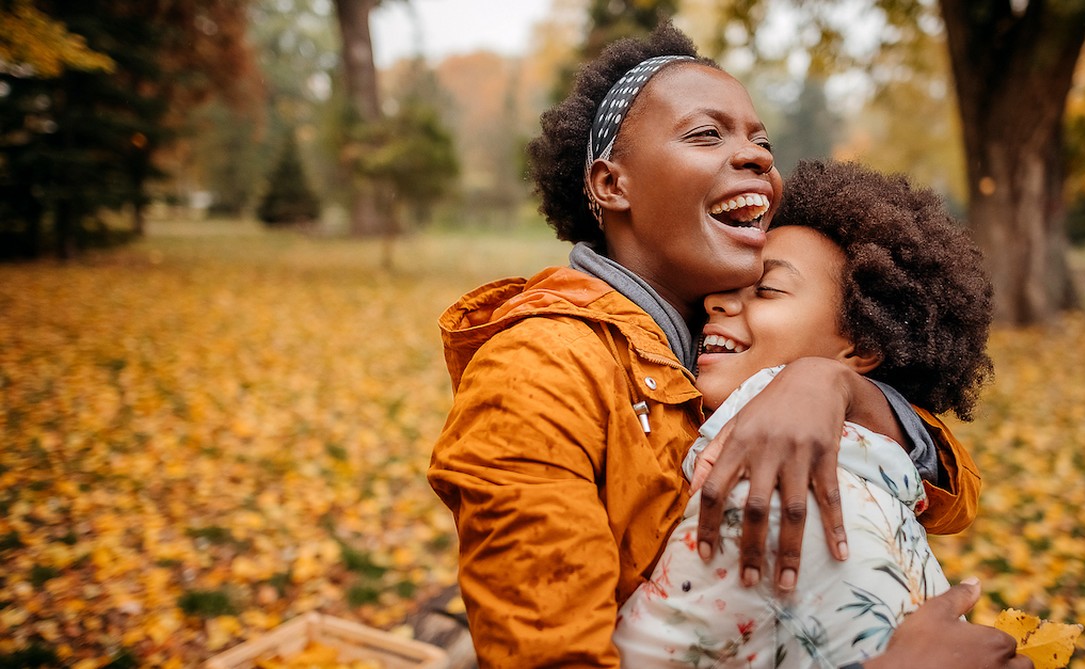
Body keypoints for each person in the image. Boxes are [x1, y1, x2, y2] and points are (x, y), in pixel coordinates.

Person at [428, 23, 1020, 668]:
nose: (760, 158)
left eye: (761, 141)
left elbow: (949, 494)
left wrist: (833, 384)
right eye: (706, 134)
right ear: (611, 185)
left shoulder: (718, 338)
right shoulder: (539, 370)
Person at [613, 160, 997, 668]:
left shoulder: (775, 504)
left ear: (859, 346)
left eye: (767, 289)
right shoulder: (867, 467)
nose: (717, 303)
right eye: (727, 285)